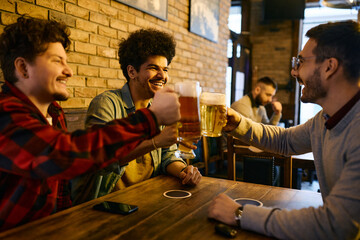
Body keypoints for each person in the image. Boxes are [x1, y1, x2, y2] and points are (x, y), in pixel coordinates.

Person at [0, 16, 181, 232]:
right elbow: (64, 155)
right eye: (57, 61)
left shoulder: (54, 111)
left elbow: (62, 191)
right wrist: (151, 118)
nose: (69, 71)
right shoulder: (5, 113)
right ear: (23, 68)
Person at [208, 20, 360, 239]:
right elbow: (285, 141)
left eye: (300, 61)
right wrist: (239, 124)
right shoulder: (324, 119)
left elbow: (335, 226)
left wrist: (240, 214)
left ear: (329, 67)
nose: (293, 71)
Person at [71, 29, 201, 204]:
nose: (163, 76)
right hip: (106, 204)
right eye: (154, 68)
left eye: (165, 69)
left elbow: (167, 156)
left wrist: (184, 171)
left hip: (147, 198)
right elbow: (104, 160)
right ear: (132, 72)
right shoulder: (106, 104)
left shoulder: (157, 107)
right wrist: (155, 142)